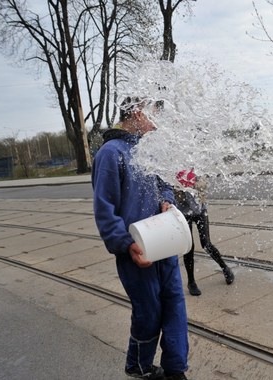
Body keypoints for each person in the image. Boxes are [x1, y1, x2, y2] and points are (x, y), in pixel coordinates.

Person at [92, 97, 189, 380]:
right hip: (136, 252)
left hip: (164, 243)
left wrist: (167, 202)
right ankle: (139, 366)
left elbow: (164, 186)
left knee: (174, 306)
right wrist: (125, 244)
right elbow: (104, 210)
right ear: (135, 113)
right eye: (151, 113)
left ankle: (175, 368)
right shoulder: (110, 154)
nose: (156, 120)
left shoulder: (149, 152)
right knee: (148, 314)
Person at [174, 168, 234, 296]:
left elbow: (204, 185)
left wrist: (194, 184)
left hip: (200, 209)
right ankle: (191, 282)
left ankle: (225, 268)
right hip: (182, 213)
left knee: (206, 243)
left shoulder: (195, 164)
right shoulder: (171, 168)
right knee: (189, 247)